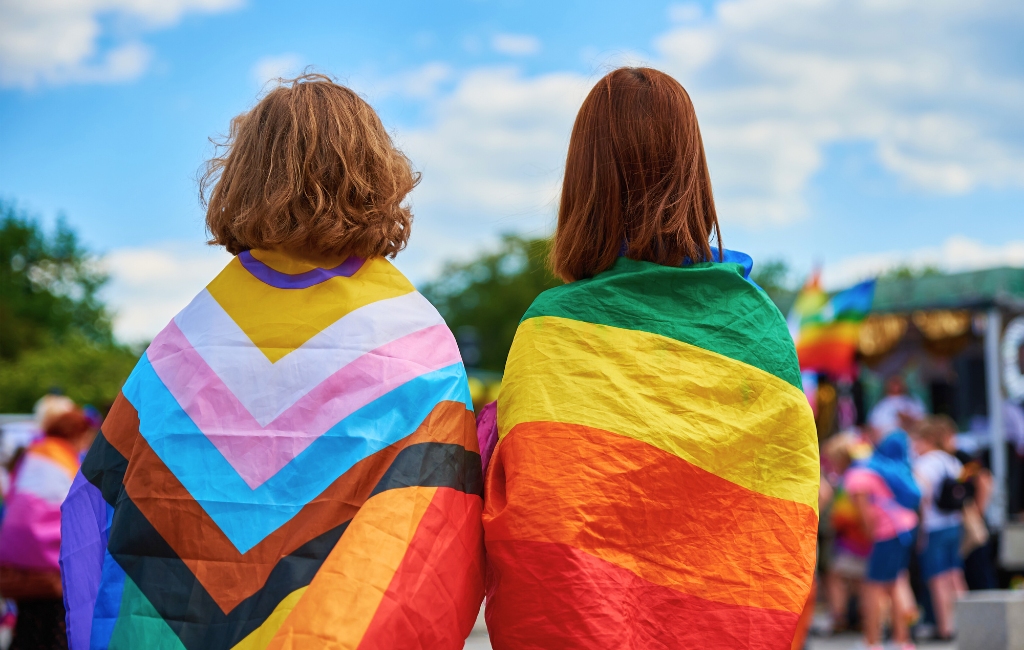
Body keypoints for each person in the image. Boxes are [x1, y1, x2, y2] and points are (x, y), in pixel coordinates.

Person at [59, 74, 484, 650]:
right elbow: (434, 526)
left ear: (247, 175)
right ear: (377, 177)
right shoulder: (413, 337)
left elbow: (102, 500)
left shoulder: (184, 340)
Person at [481, 67, 820, 648]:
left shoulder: (555, 328)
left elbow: (541, 508)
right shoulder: (756, 326)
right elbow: (781, 518)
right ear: (694, 171)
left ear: (583, 180)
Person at [0, 403, 94, 650]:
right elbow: (75, 507)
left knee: (27, 626)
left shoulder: (35, 451)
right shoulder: (63, 457)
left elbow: (12, 495)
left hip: (19, 561)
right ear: (77, 433)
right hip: (51, 562)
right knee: (57, 628)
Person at [844, 432, 921, 650]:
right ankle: (902, 640)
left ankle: (872, 641)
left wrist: (870, 536)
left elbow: (864, 514)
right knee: (896, 584)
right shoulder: (893, 468)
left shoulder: (859, 474)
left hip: (887, 534)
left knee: (873, 588)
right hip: (906, 529)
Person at [912, 415, 967, 640]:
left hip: (933, 527)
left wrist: (920, 526)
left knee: (937, 579)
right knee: (955, 575)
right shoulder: (952, 461)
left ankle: (945, 628)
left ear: (927, 440)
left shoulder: (926, 463)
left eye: (917, 441)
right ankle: (966, 624)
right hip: (954, 524)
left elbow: (920, 494)